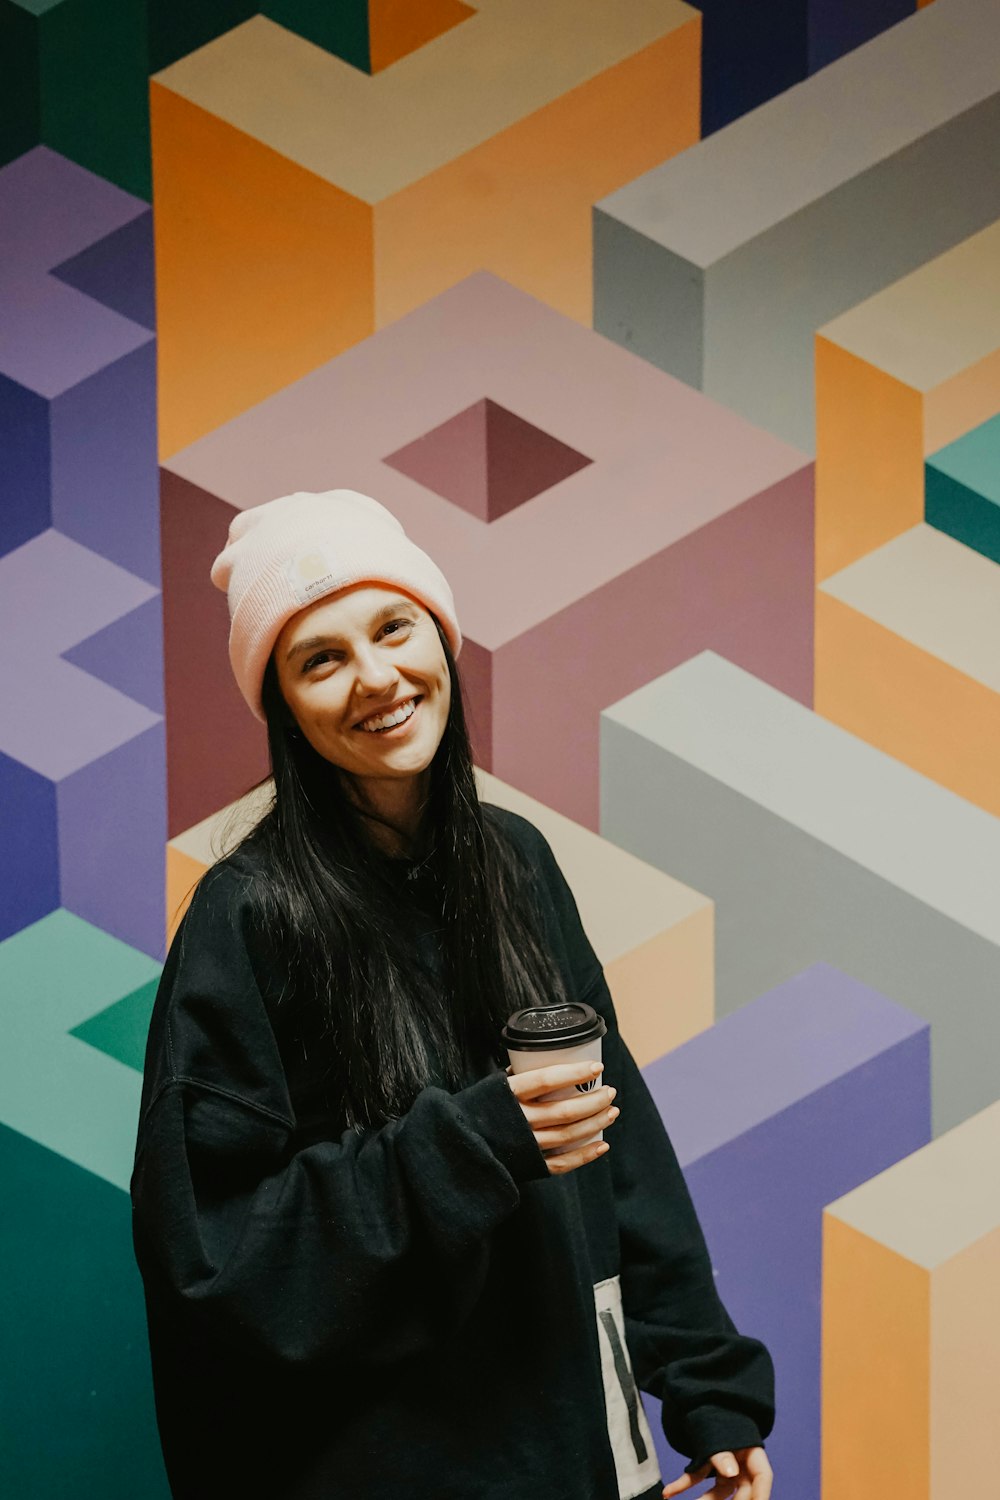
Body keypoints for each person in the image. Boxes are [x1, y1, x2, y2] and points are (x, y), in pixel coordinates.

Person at [131, 489, 775, 1500]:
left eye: (393, 628)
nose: (375, 678)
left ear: (440, 637)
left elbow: (621, 1144)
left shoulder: (516, 863)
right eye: (320, 658)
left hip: (575, 1455)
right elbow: (213, 1254)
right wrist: (471, 1143)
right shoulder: (251, 917)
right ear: (285, 708)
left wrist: (704, 1384)